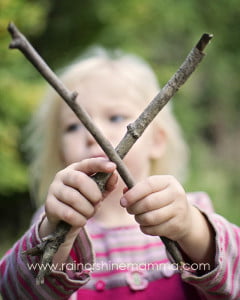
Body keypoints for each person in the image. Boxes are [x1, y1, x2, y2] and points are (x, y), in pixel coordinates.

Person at [0, 49, 239, 300]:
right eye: (73, 126)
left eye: (115, 117)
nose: (94, 135)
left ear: (157, 141)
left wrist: (192, 230)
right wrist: (58, 236)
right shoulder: (53, 223)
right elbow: (16, 291)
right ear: (59, 152)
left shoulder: (190, 212)